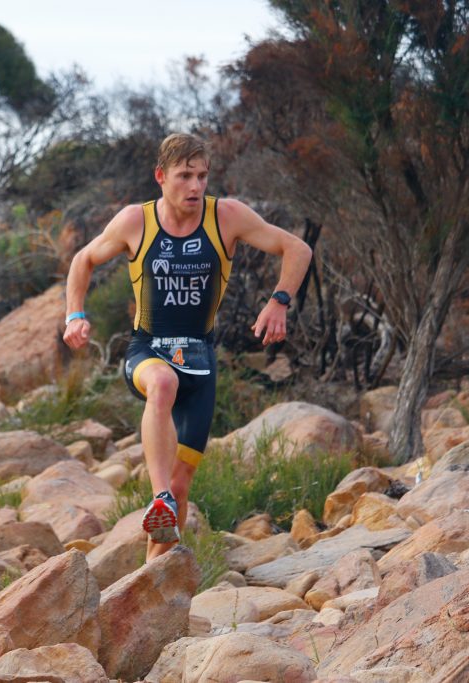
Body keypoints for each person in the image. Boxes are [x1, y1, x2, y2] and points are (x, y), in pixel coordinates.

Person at [62, 133, 313, 560]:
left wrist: (279, 301)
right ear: (161, 177)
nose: (195, 187)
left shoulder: (226, 217)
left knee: (183, 487)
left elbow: (297, 248)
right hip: (148, 350)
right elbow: (82, 260)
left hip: (200, 361)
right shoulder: (134, 222)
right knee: (161, 385)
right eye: (184, 176)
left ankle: (155, 585)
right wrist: (75, 314)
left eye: (202, 176)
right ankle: (158, 495)